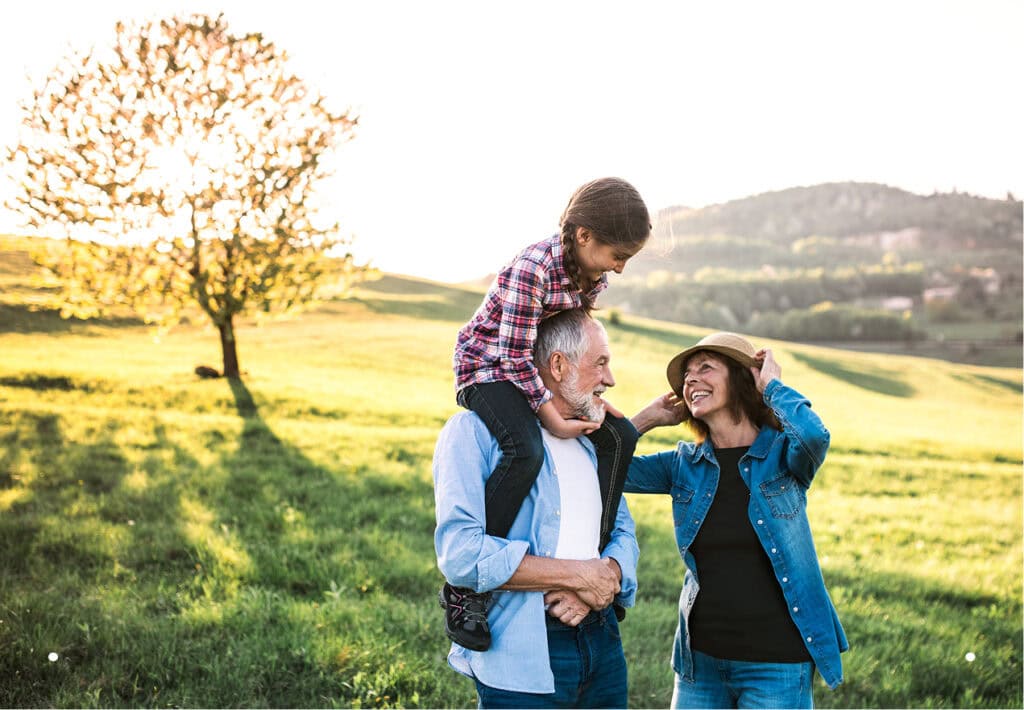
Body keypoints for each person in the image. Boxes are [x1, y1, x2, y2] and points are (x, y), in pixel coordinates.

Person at [440, 177, 650, 652]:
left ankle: (591, 561)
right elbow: (515, 357)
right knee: (525, 448)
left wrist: (588, 393)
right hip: (489, 371)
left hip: (530, 371)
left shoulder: (590, 275)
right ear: (583, 236)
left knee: (617, 438)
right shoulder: (534, 268)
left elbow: (569, 334)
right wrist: (552, 415)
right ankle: (467, 591)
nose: (620, 267)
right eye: (618, 254)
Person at [628, 332, 848, 709]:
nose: (691, 379)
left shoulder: (782, 455)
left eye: (706, 368)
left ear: (743, 379)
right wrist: (646, 419)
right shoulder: (684, 464)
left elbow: (814, 435)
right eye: (687, 376)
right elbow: (604, 469)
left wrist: (773, 386)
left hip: (776, 664)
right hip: (701, 665)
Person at [434, 309, 639, 708]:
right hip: (525, 646)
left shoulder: (592, 440)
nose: (610, 379)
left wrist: (603, 579)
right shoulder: (474, 433)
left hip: (602, 638)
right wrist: (582, 576)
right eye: (600, 363)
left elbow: (624, 533)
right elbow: (462, 555)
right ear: (558, 366)